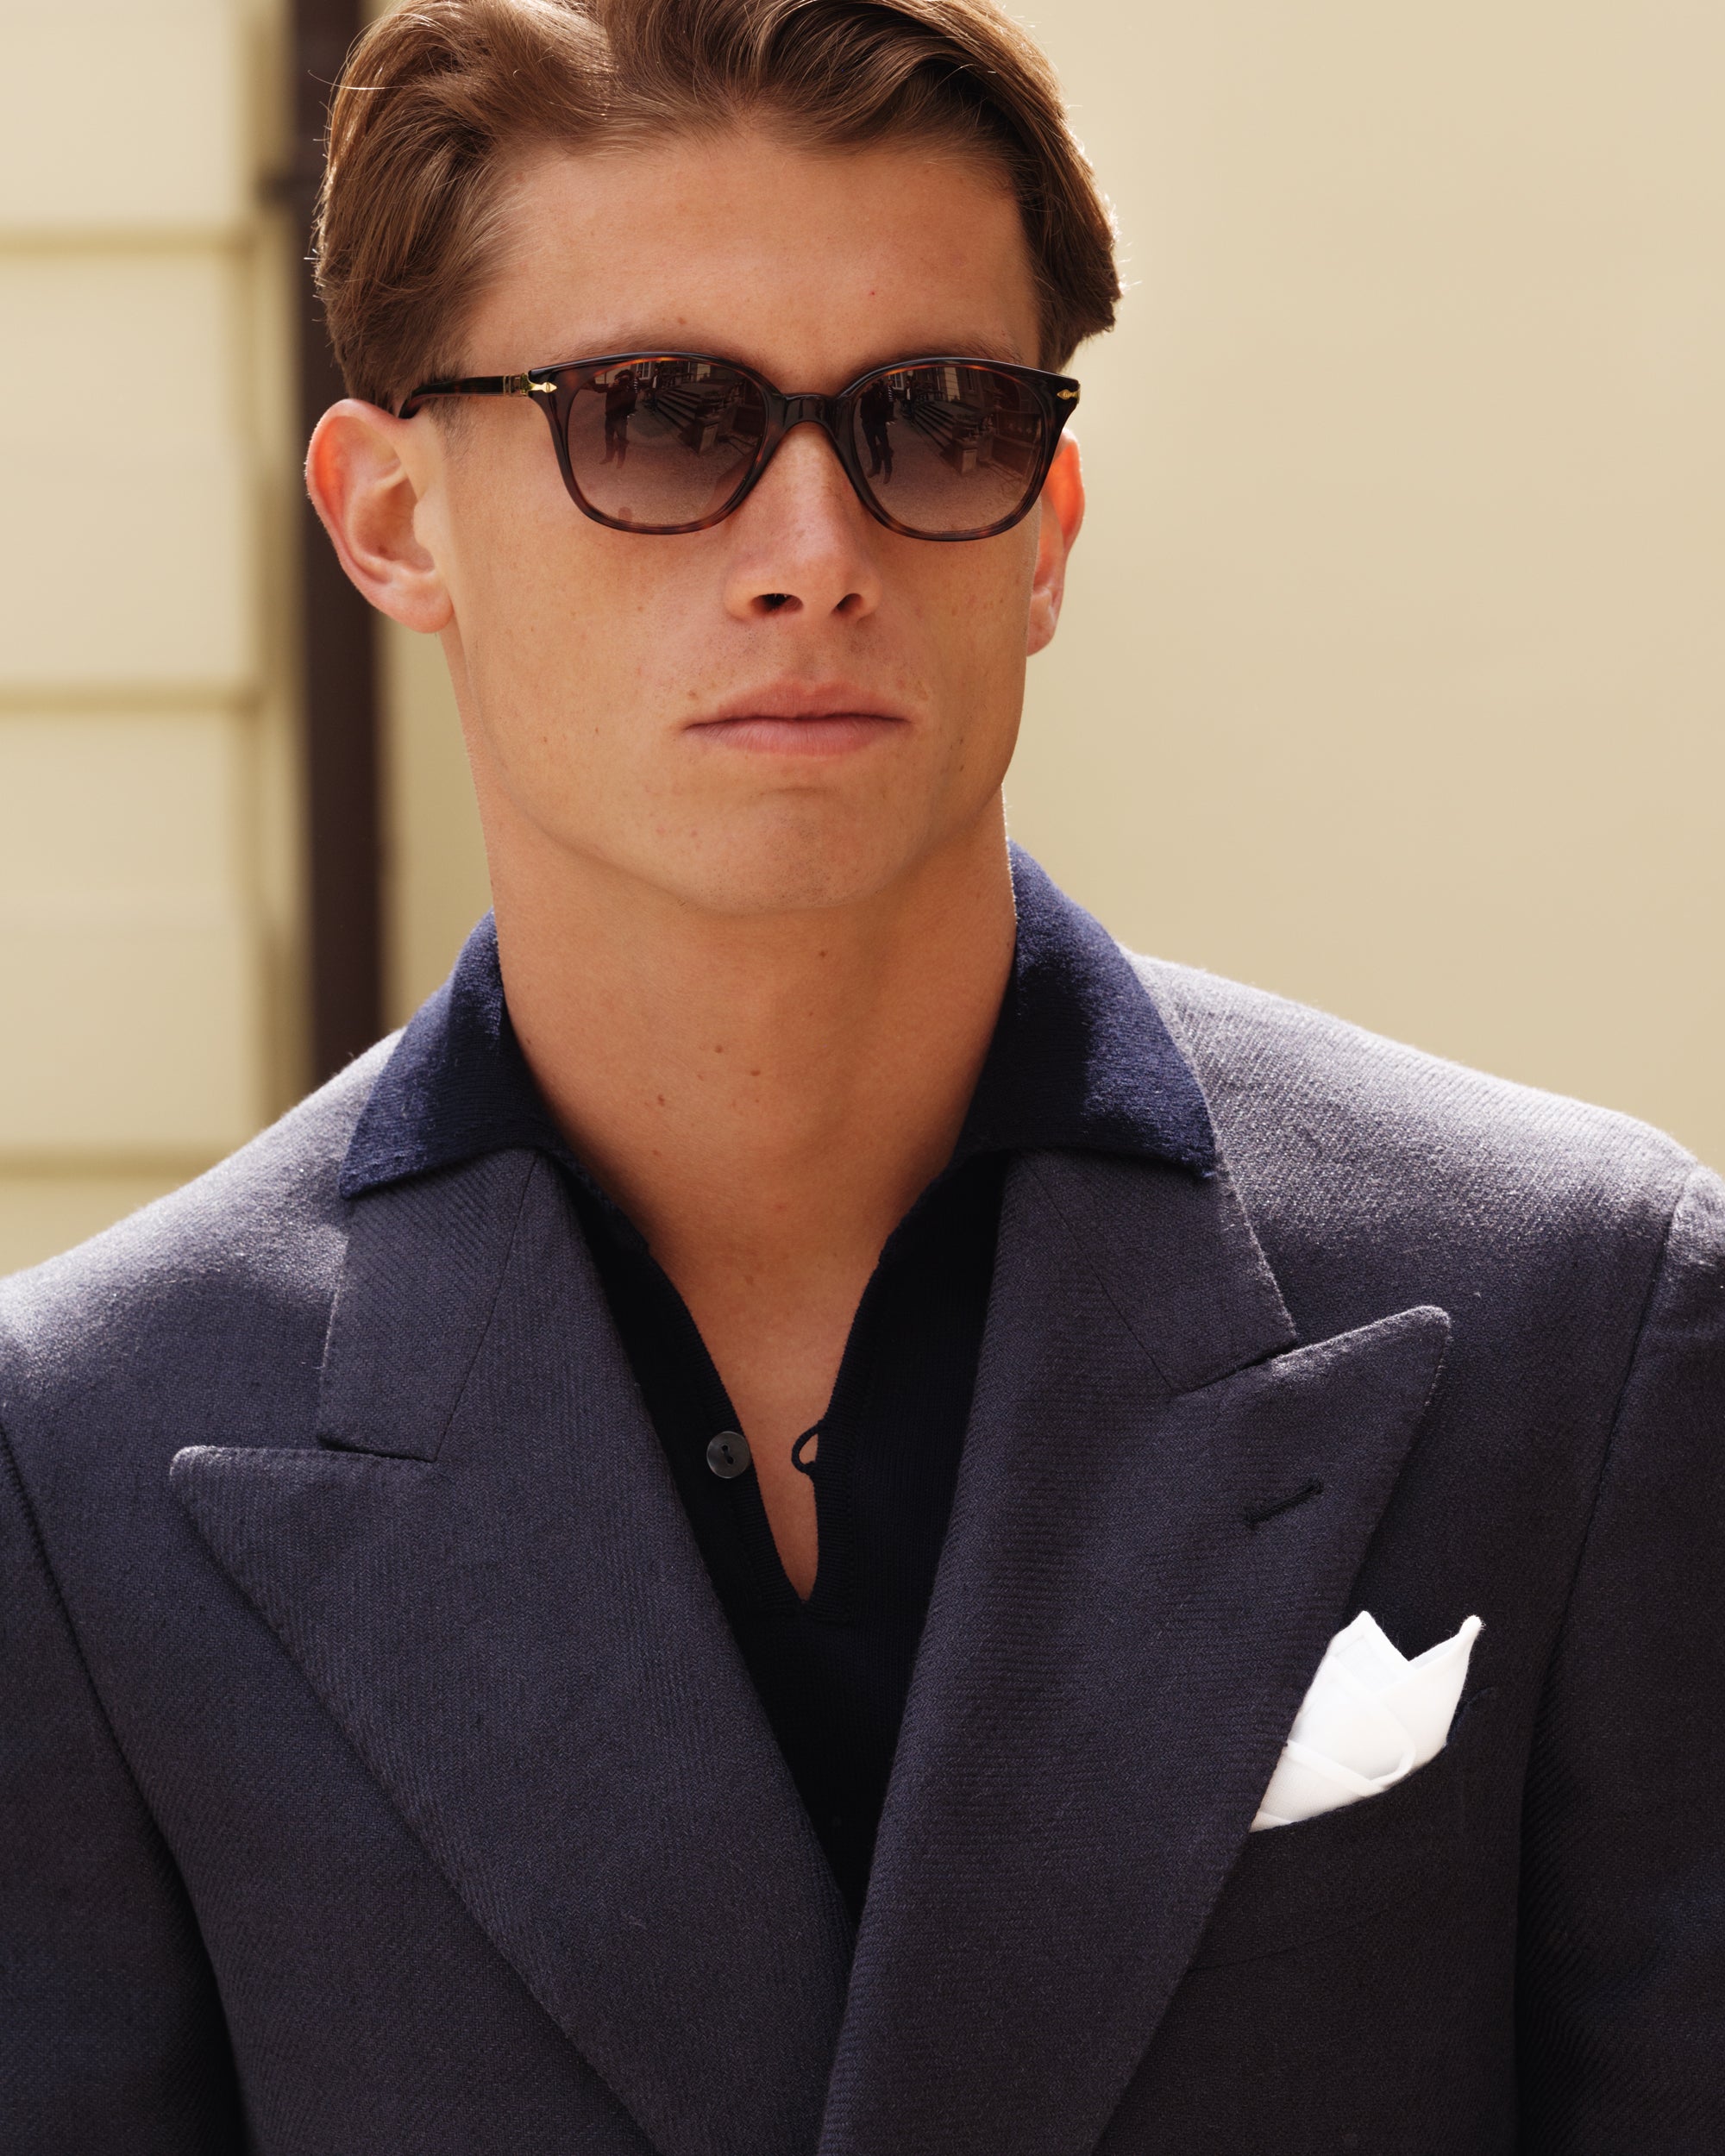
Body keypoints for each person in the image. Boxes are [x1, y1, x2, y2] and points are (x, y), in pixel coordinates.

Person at [2, 0, 1720, 2149]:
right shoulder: (77, 1456)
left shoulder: (1577, 1317)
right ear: (390, 517)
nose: (813, 542)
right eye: (655, 416)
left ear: (1048, 529)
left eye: (932, 419)